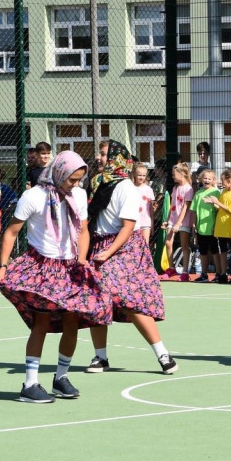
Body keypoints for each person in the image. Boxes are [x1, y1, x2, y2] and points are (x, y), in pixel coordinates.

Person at [0, 151, 110, 403]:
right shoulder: (33, 196)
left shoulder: (78, 194)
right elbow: (12, 232)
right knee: (41, 323)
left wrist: (82, 259)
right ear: (59, 172)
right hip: (42, 267)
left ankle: (61, 378)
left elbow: (84, 230)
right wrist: (3, 265)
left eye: (79, 180)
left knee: (72, 322)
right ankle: (30, 384)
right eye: (71, 179)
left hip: (70, 267)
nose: (75, 184)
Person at [83, 141, 177, 375]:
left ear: (116, 158)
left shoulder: (126, 187)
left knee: (130, 301)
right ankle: (100, 357)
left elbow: (127, 227)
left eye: (104, 154)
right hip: (100, 244)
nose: (99, 157)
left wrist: (108, 252)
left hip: (124, 247)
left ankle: (163, 355)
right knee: (97, 300)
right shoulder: (96, 183)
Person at [206, 169, 231, 282]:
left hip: (230, 226)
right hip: (221, 225)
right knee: (223, 250)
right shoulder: (224, 192)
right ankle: (222, 273)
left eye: (223, 181)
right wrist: (213, 202)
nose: (222, 183)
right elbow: (220, 207)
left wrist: (217, 202)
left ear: (230, 181)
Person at [162, 162, 193, 282]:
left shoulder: (188, 189)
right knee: (168, 243)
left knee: (184, 245)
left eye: (174, 174)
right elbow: (173, 205)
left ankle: (185, 272)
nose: (172, 177)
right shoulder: (175, 188)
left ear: (181, 174)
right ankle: (171, 268)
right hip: (173, 219)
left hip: (183, 221)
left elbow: (185, 207)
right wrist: (168, 220)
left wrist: (178, 224)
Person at [191, 169, 222, 283]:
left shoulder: (216, 192)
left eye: (209, 178)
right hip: (201, 228)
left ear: (213, 180)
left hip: (212, 227)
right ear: (201, 179)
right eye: (205, 178)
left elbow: (219, 209)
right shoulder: (198, 193)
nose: (207, 180)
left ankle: (219, 273)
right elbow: (194, 210)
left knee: (214, 251)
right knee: (203, 251)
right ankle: (204, 274)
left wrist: (216, 225)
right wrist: (194, 224)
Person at [132, 162, 155, 241]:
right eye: (139, 175)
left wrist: (152, 223)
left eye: (144, 175)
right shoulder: (130, 188)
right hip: (133, 221)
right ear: (134, 174)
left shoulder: (148, 189)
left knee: (145, 245)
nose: (141, 177)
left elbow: (151, 208)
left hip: (145, 222)